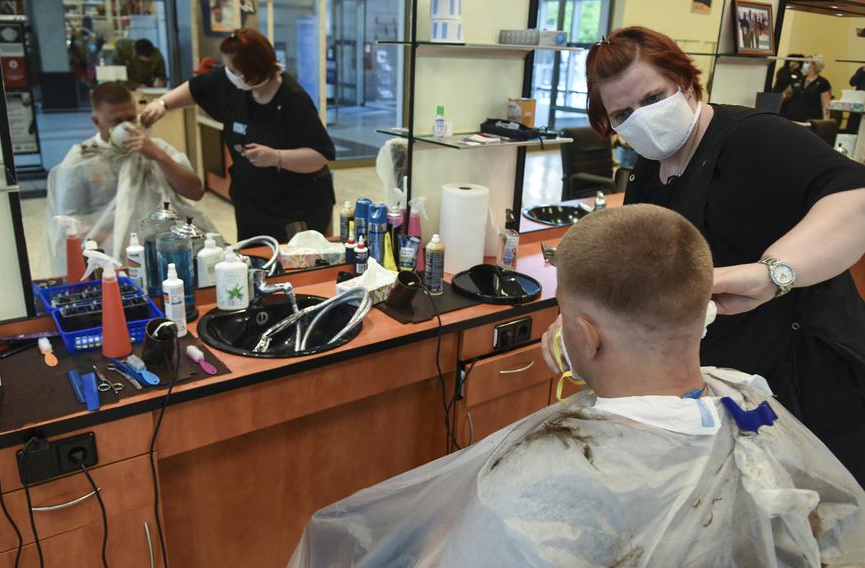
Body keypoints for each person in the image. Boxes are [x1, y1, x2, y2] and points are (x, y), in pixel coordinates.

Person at [290, 205, 865, 566]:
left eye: (562, 311)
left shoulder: (532, 491)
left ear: (584, 337)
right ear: (705, 312)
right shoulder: (750, 405)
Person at [540, 26, 865, 486]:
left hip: (809, 376)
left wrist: (771, 274)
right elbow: (638, 273)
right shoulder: (649, 172)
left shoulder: (757, 139)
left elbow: (856, 198)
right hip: (728, 385)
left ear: (685, 82)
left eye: (653, 98)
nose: (643, 119)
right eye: (623, 114)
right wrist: (577, 316)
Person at [140, 28, 336, 243]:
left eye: (234, 69)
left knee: (295, 265)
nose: (228, 74)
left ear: (255, 71)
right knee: (254, 259)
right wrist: (163, 104)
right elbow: (197, 88)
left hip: (297, 206)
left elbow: (320, 155)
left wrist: (276, 157)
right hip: (251, 201)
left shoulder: (293, 101)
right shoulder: (234, 84)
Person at [44, 82, 215, 274]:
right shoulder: (80, 162)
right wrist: (119, 237)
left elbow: (195, 191)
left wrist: (158, 156)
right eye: (117, 122)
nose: (126, 126)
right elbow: (67, 223)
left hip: (167, 252)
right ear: (97, 121)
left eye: (131, 118)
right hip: (108, 260)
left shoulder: (155, 148)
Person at [782, 54, 832, 122]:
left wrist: (826, 122)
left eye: (807, 63)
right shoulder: (798, 78)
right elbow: (786, 94)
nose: (804, 65)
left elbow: (826, 105)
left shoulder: (823, 83)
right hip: (793, 117)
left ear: (815, 65)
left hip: (811, 118)